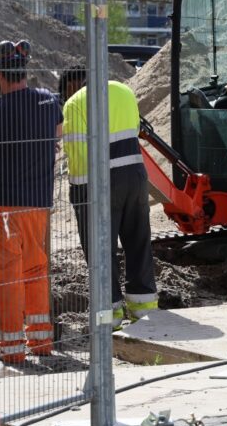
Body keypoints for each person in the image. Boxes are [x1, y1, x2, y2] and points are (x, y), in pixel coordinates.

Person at [0, 40, 62, 364]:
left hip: (4, 206)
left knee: (6, 275)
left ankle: (12, 350)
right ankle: (41, 343)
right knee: (36, 270)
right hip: (38, 204)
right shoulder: (49, 102)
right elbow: (56, 138)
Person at [60, 66, 158, 326]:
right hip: (135, 178)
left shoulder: (74, 103)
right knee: (138, 241)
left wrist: (79, 194)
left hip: (100, 185)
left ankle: (109, 316)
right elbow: (134, 131)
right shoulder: (125, 91)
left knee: (101, 251)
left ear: (71, 85)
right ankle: (144, 307)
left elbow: (78, 153)